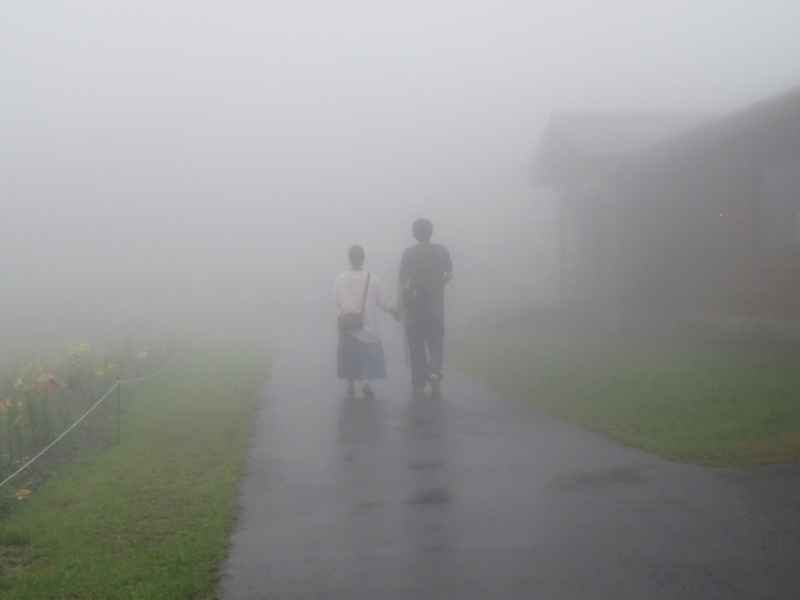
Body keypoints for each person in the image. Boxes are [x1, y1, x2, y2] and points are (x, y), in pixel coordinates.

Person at [397, 218, 453, 395]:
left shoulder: (408, 253)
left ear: (414, 234)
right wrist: (439, 284)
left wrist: (399, 305)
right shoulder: (441, 250)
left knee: (416, 345)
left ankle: (419, 382)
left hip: (414, 308)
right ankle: (434, 373)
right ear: (431, 232)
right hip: (435, 305)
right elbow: (450, 274)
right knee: (436, 343)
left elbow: (401, 283)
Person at [335, 245, 399, 398]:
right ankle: (365, 382)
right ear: (363, 259)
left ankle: (350, 385)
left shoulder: (341, 279)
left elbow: (338, 302)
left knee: (349, 356)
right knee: (366, 356)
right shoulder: (372, 278)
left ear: (349, 259)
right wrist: (394, 312)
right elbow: (383, 302)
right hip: (368, 325)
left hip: (348, 325)